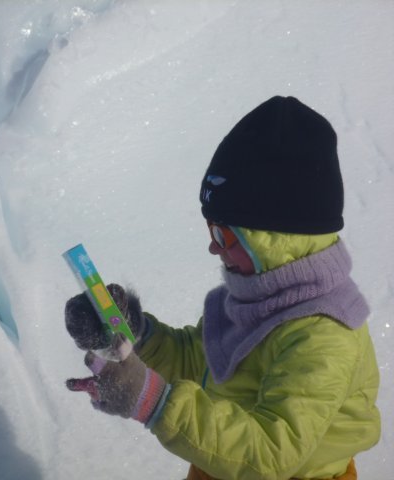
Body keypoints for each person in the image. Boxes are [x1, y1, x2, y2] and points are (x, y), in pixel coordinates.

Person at [65, 96, 381, 480]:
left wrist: (153, 402)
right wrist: (135, 333)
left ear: (274, 238)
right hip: (223, 465)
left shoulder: (323, 334)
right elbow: (202, 364)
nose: (213, 246)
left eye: (224, 233)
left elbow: (270, 454)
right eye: (210, 228)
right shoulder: (258, 295)